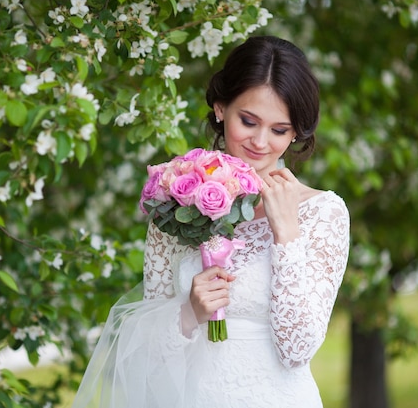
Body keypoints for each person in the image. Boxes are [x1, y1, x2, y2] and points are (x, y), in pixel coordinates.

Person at [71, 35, 350, 408]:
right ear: (220, 108)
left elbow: (297, 350)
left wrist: (286, 234)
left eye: (279, 130)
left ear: (296, 132)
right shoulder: (175, 205)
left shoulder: (324, 213)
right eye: (248, 121)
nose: (261, 142)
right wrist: (190, 313)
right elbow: (150, 358)